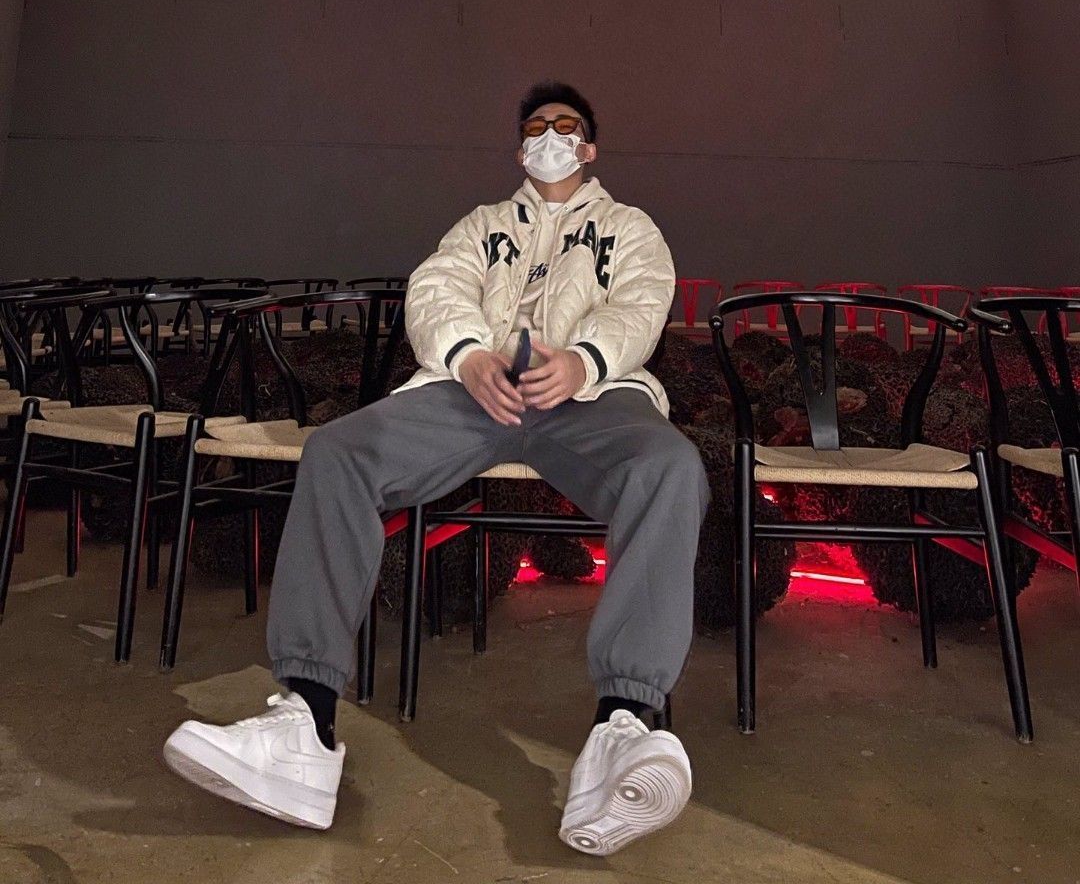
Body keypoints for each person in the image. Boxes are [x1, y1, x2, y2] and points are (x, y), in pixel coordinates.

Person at [164, 82, 709, 855]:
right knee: (339, 453)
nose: (550, 137)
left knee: (670, 468)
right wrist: (468, 355)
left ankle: (623, 725)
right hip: (471, 392)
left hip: (588, 395)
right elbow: (435, 289)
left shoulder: (629, 228)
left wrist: (584, 360)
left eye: (566, 126)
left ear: (589, 147)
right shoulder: (483, 225)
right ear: (519, 148)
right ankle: (304, 724)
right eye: (535, 128)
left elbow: (642, 304)